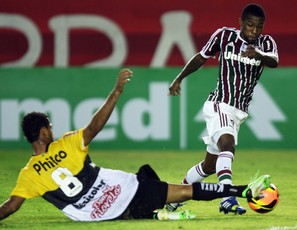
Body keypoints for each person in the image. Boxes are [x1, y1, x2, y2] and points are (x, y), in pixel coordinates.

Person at [0, 68, 271, 222]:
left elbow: (10, 207)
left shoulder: (28, 175)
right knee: (184, 191)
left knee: (148, 191)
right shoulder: (66, 144)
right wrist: (116, 91)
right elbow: (95, 126)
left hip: (96, 215)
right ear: (44, 131)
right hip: (122, 191)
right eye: (50, 125)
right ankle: (239, 190)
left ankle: (153, 216)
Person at [167, 3, 278, 215]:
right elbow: (201, 57)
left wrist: (258, 55)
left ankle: (175, 198)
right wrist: (178, 78)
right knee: (228, 145)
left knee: (209, 166)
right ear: (241, 23)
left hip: (239, 112)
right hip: (219, 104)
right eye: (250, 25)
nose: (254, 31)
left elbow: (274, 61)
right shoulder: (224, 36)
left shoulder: (266, 43)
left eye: (259, 26)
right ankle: (227, 198)